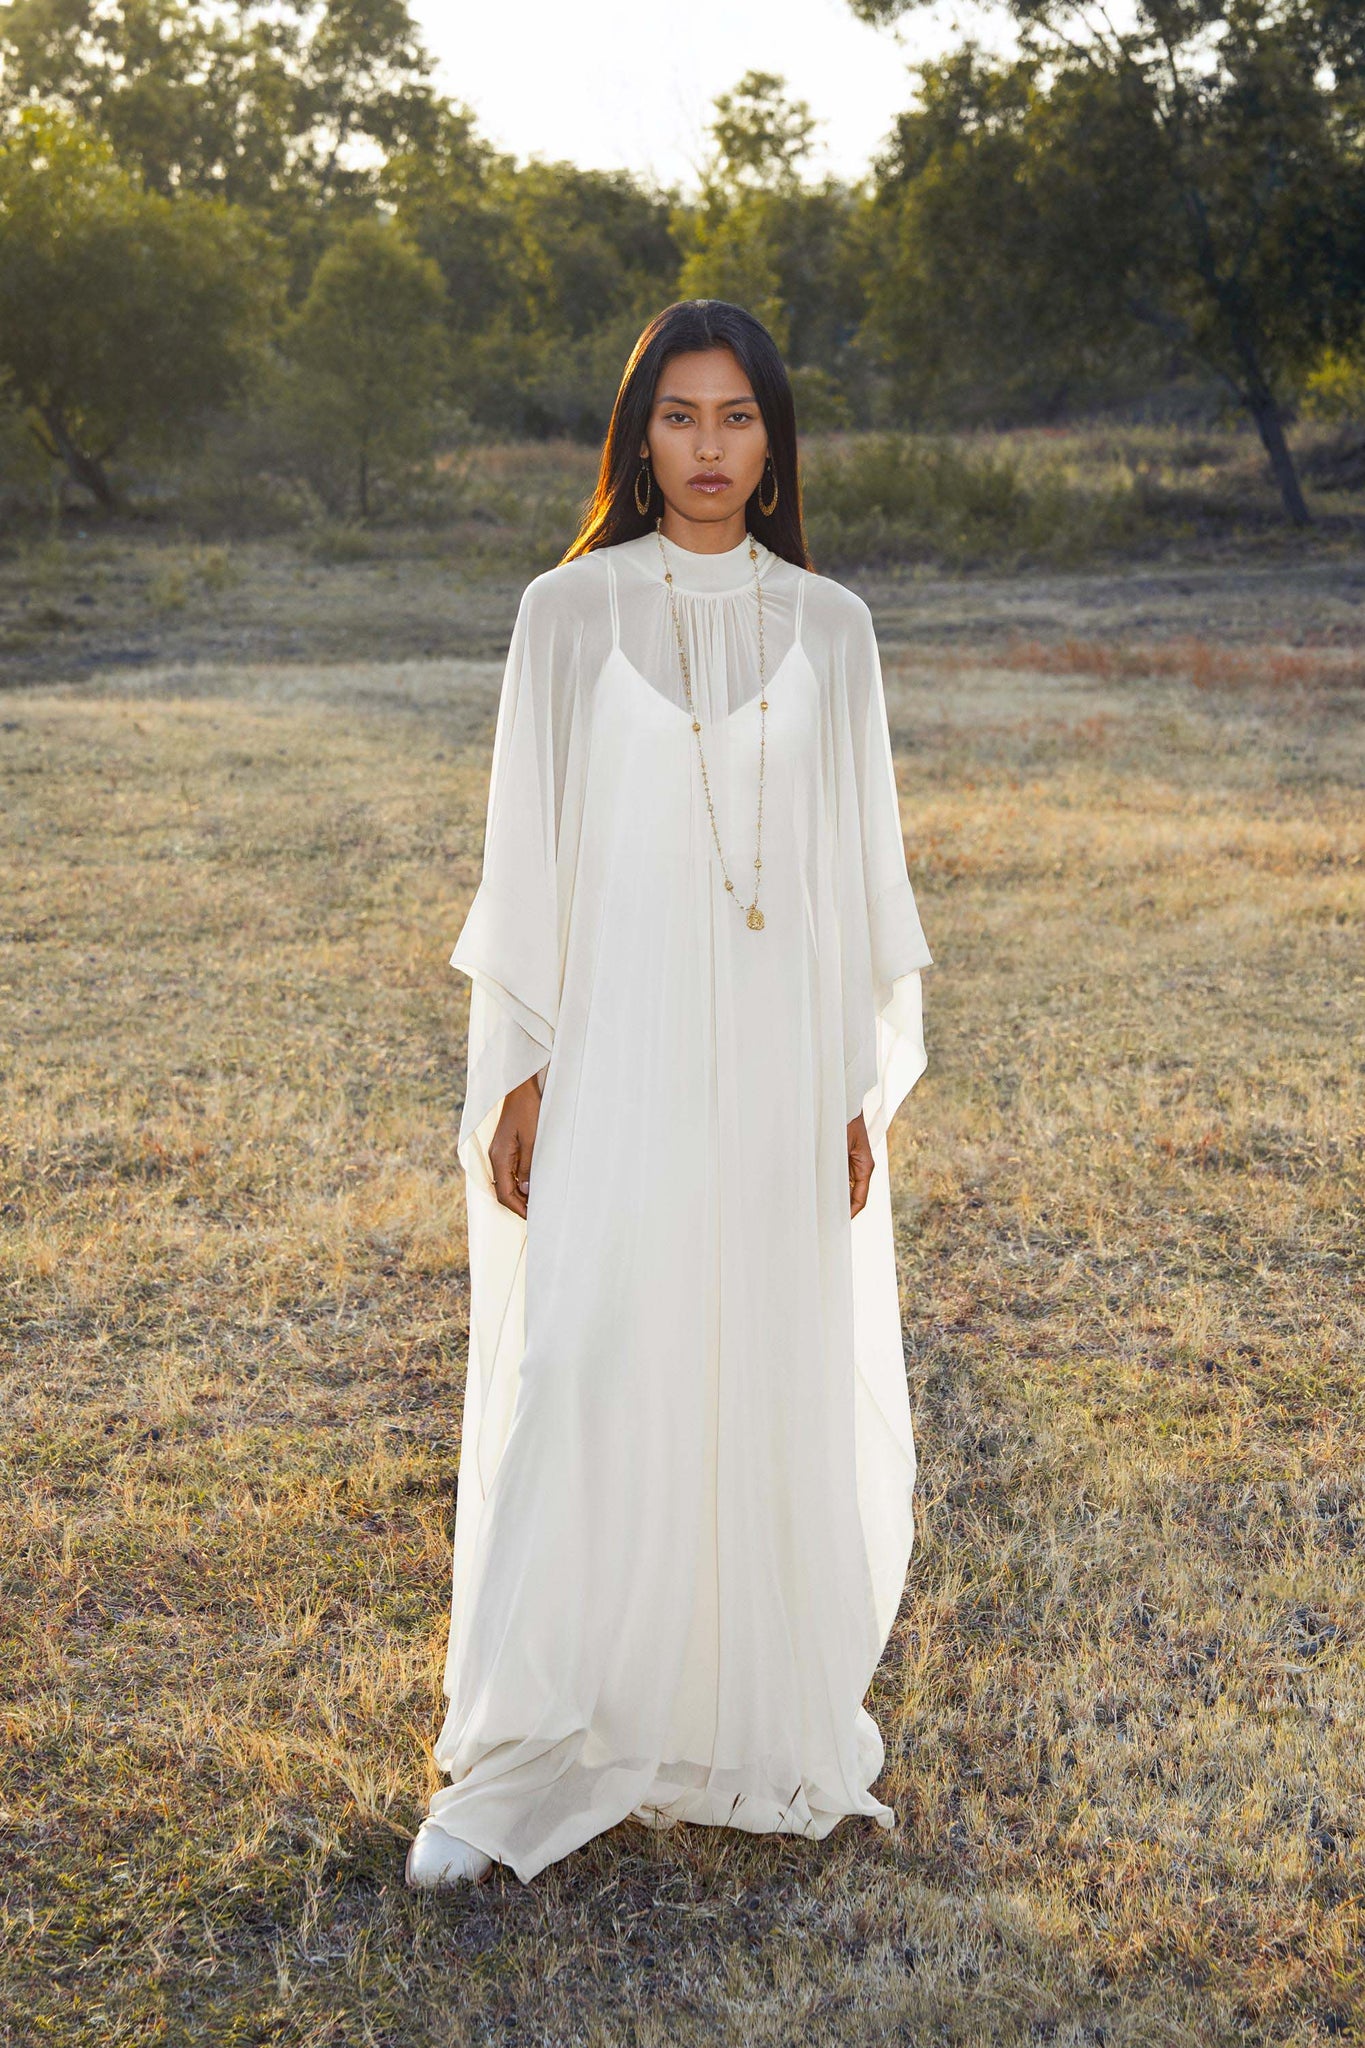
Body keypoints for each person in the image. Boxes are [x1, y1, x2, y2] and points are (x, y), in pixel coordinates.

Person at [406, 299, 934, 1889]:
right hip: (615, 1047)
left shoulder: (831, 626)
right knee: (585, 1361)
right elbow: (528, 858)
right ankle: (539, 1742)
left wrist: (847, 1089)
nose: (710, 449)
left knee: (752, 1359)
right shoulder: (564, 614)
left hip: (774, 1059)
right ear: (637, 437)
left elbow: (853, 876)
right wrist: (525, 1068)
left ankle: (743, 1725)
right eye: (680, 418)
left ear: (776, 442)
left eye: (739, 419)